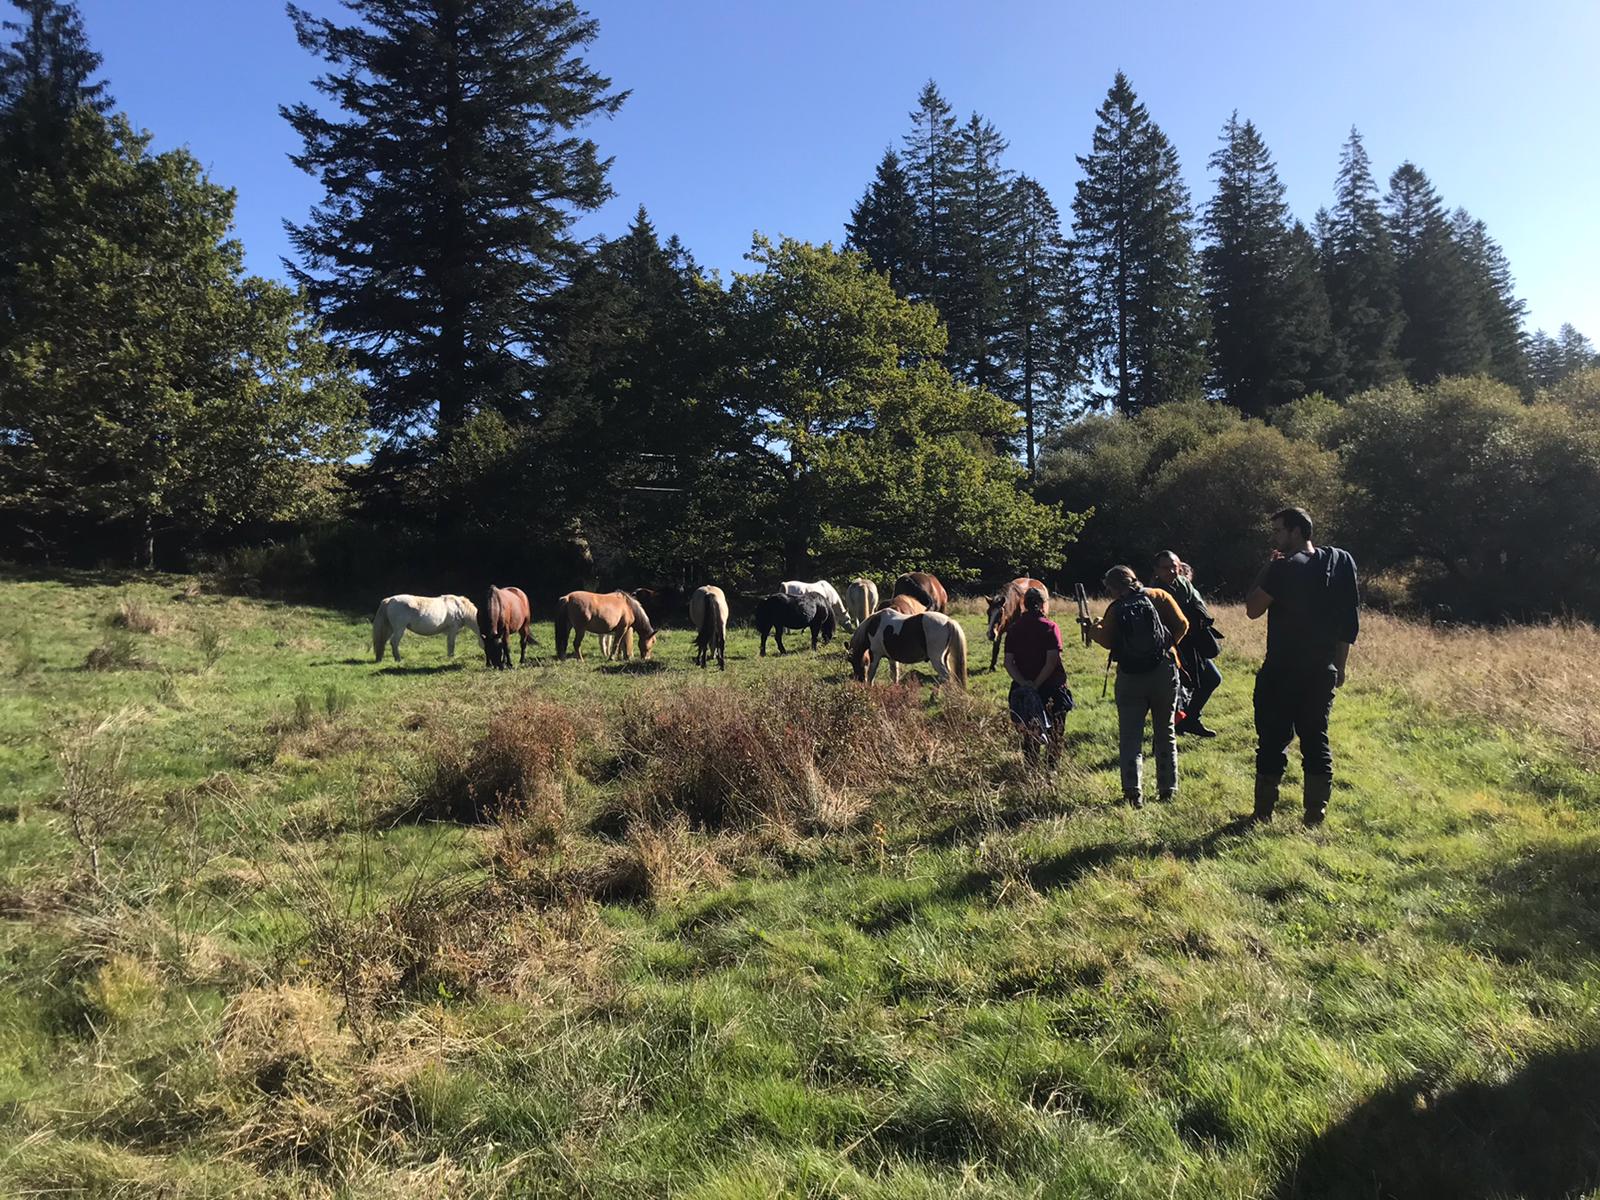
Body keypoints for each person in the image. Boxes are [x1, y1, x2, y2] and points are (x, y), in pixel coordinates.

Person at [1245, 506, 1361, 826]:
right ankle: (1314, 814)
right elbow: (1348, 622)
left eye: (1279, 531)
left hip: (1282, 669)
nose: (1275, 538)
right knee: (1315, 737)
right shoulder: (1339, 562)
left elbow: (1253, 608)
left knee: (1272, 739)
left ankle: (1263, 813)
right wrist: (1340, 666)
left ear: (1296, 531)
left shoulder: (1283, 568)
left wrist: (1269, 565)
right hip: (1321, 669)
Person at [1079, 566, 1189, 808]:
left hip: (1130, 677)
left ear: (1112, 587)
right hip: (1164, 672)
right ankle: (1167, 790)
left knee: (1130, 737)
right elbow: (1183, 624)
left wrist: (1095, 629)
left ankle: (1133, 792)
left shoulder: (1116, 608)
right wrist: (1164, 647)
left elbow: (1107, 641)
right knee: (1165, 732)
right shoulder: (1159, 596)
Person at [1153, 550, 1222, 738]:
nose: (1171, 572)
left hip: (1192, 645)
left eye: (1174, 567)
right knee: (1173, 692)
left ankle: (1190, 720)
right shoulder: (1154, 593)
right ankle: (1169, 731)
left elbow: (1199, 607)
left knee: (1212, 678)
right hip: (1171, 649)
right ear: (1157, 570)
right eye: (1165, 568)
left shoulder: (1184, 584)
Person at [1003, 586, 1073, 767]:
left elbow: (1008, 662)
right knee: (1055, 732)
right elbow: (1052, 661)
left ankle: (1031, 771)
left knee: (1029, 733)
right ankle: (1051, 771)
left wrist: (1024, 684)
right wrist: (1037, 684)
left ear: (1024, 604)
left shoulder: (1014, 629)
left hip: (1023, 690)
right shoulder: (1050, 627)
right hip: (1051, 688)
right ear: (1043, 604)